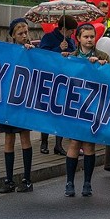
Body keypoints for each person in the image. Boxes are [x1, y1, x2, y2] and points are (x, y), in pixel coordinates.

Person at [63, 24, 109, 197]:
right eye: (86, 37)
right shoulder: (72, 56)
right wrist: (64, 59)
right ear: (79, 39)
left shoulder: (103, 56)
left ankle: (87, 183)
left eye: (92, 36)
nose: (90, 40)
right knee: (74, 143)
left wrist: (102, 66)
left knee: (89, 144)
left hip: (93, 106)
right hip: (75, 106)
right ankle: (69, 182)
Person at [0, 18, 35, 193]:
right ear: (13, 35)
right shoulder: (8, 50)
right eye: (20, 33)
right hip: (9, 100)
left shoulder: (33, 50)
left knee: (25, 137)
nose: (24, 36)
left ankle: (27, 179)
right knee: (8, 138)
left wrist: (32, 52)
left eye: (26, 32)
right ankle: (9, 179)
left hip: (24, 100)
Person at [38, 15, 77, 155]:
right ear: (65, 29)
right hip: (50, 78)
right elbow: (42, 56)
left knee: (61, 111)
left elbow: (74, 55)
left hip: (65, 79)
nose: (72, 34)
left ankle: (58, 144)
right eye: (71, 31)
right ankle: (44, 142)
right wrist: (57, 48)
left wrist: (69, 50)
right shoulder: (48, 38)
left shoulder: (71, 41)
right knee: (47, 111)